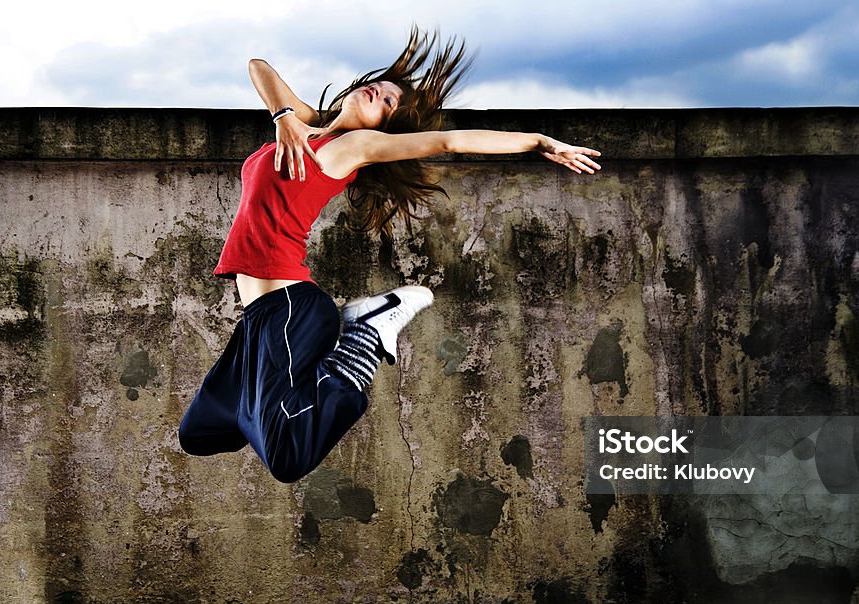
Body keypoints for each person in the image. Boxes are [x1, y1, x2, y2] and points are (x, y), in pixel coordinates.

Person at [178, 28, 602, 483]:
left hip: (289, 306)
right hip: (258, 318)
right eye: (380, 86)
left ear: (383, 127)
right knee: (200, 432)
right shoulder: (306, 127)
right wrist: (283, 116)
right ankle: (297, 389)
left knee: (287, 458)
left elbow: (448, 142)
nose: (380, 93)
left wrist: (539, 141)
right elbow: (258, 66)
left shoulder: (353, 148)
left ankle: (362, 339)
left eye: (388, 104)